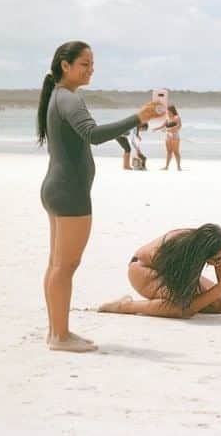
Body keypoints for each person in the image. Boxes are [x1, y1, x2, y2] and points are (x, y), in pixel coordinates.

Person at [37, 41, 159, 352]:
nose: (91, 70)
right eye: (85, 64)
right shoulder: (69, 99)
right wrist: (137, 117)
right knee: (65, 266)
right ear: (65, 65)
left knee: (57, 265)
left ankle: (57, 331)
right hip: (70, 193)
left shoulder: (60, 96)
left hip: (57, 188)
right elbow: (93, 135)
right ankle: (60, 336)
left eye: (92, 64)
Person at [97, 223, 221, 318]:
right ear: (203, 254)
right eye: (218, 259)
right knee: (179, 310)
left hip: (171, 272)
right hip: (144, 270)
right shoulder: (182, 251)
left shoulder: (218, 247)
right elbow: (187, 309)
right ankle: (126, 306)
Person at [154, 104, 182, 170]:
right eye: (167, 111)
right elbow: (163, 126)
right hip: (168, 137)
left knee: (176, 152)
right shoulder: (167, 118)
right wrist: (157, 128)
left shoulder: (177, 117)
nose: (167, 112)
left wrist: (169, 129)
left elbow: (179, 126)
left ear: (172, 110)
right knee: (169, 152)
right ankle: (166, 166)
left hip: (175, 137)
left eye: (168, 111)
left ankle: (178, 167)